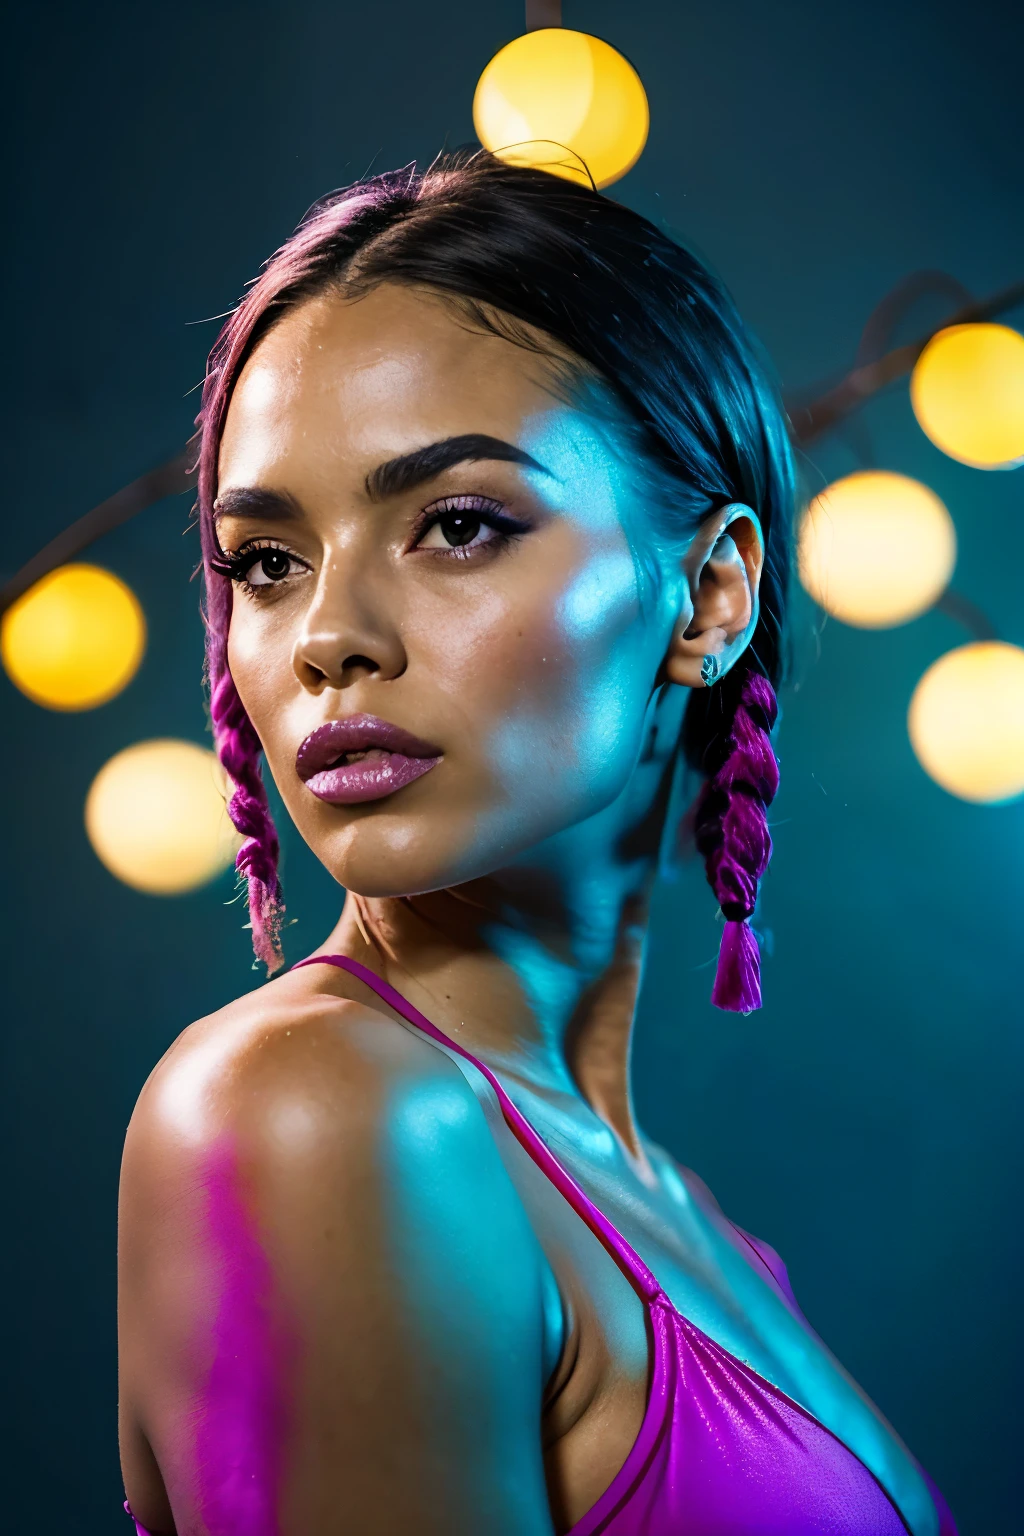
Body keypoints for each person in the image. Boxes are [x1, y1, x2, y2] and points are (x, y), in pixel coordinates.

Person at [118, 154, 956, 1536]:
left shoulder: (688, 1219)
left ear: (707, 598)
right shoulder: (324, 1108)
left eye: (454, 525)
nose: (327, 635)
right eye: (266, 560)